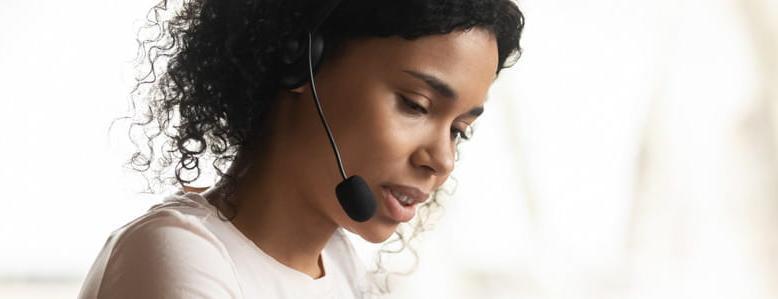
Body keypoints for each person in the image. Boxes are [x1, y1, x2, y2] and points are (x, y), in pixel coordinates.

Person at [77, 0, 524, 298]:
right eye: (416, 105)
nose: (442, 161)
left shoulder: (337, 263)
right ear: (301, 64)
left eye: (459, 130)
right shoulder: (178, 255)